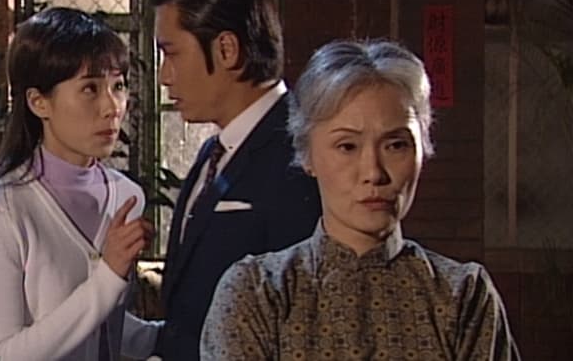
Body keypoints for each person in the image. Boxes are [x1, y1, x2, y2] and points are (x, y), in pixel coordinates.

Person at [201, 39, 521, 360]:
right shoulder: (258, 293)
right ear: (307, 156)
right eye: (347, 147)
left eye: (396, 145)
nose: (373, 173)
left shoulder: (462, 294)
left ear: (422, 150)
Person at [0, 7, 162, 361]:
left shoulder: (127, 197)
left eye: (118, 86)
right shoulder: (2, 212)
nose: (112, 107)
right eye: (90, 88)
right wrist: (108, 276)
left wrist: (170, 338)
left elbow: (100, 323)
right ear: (39, 102)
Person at [146, 0, 321, 359]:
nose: (164, 76)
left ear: (226, 49)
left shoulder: (302, 155)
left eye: (172, 54)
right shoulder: (213, 152)